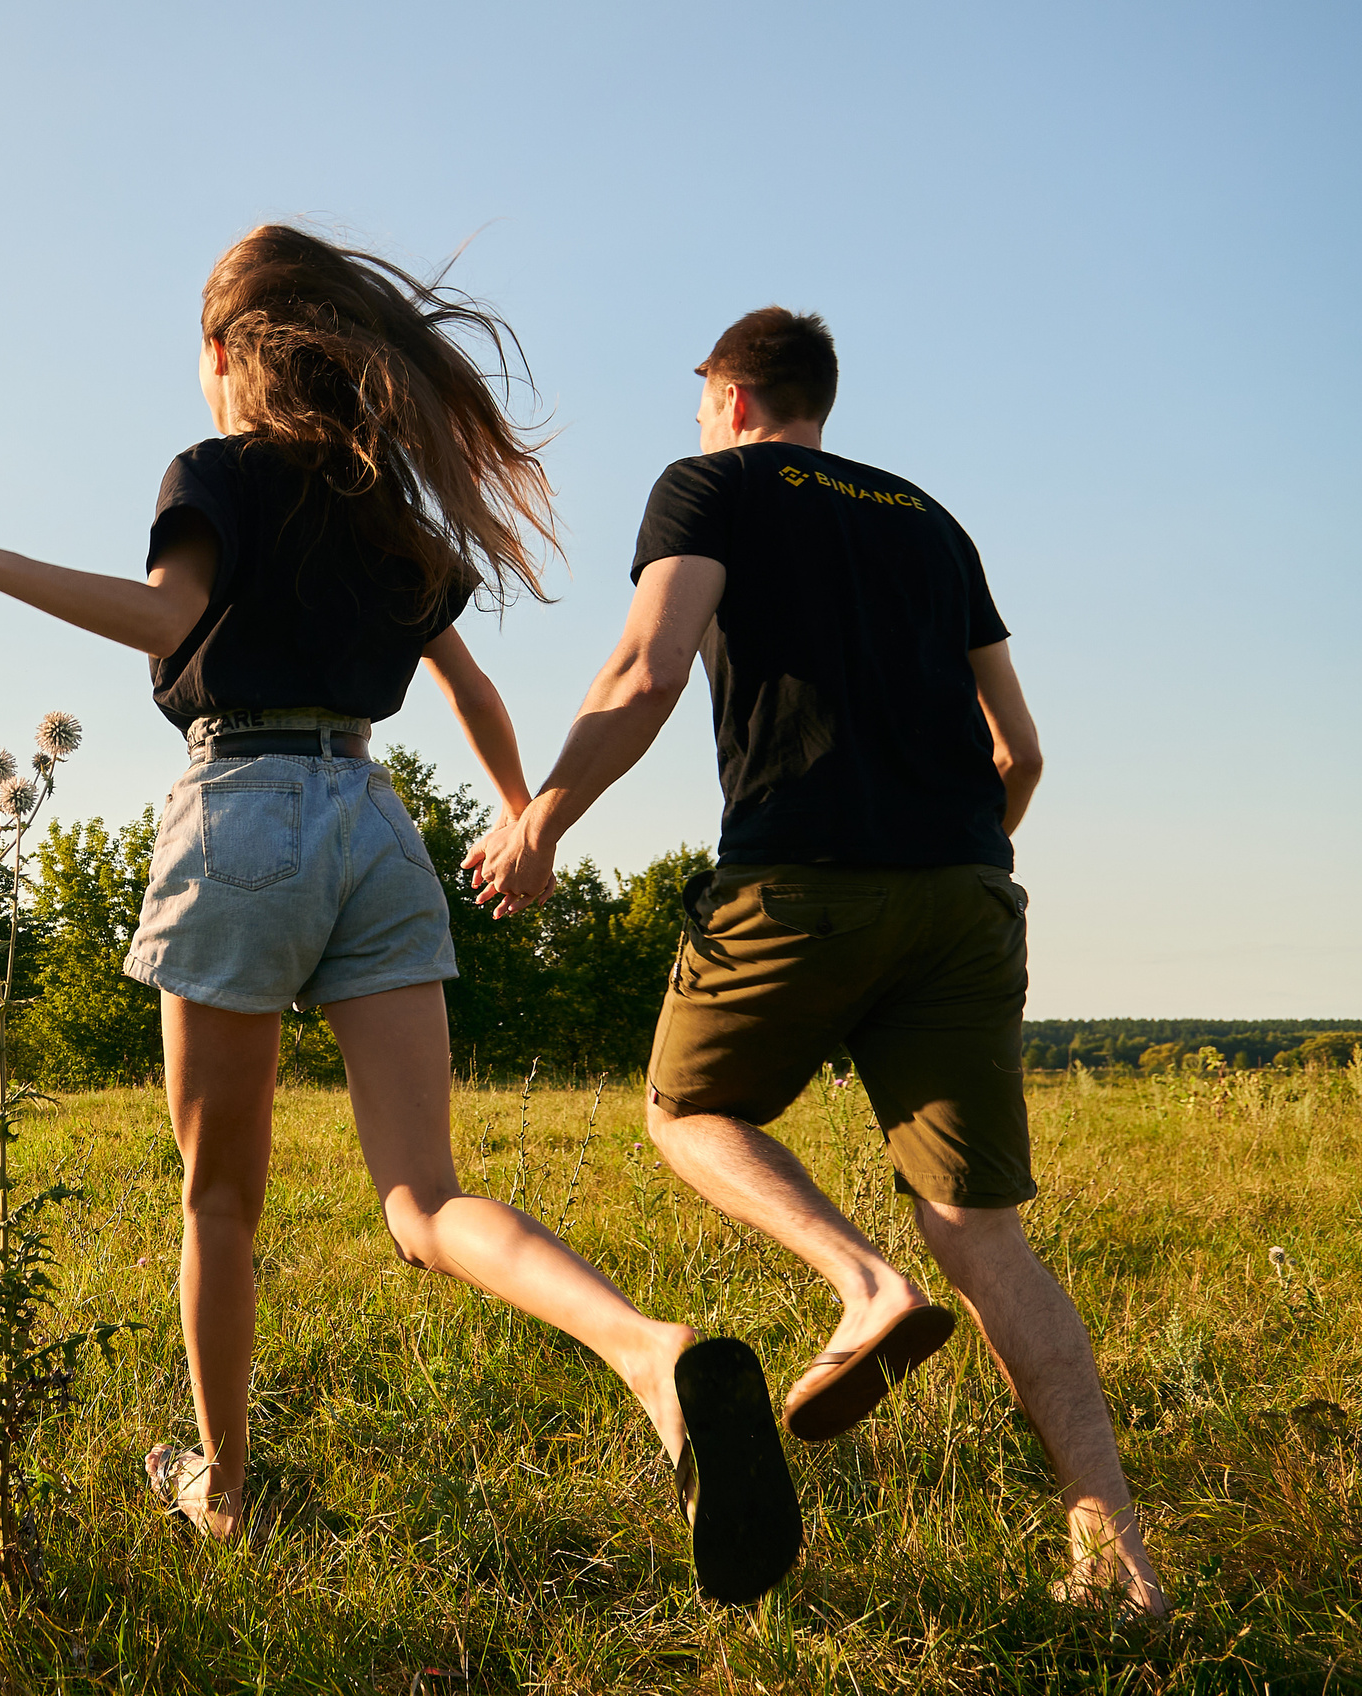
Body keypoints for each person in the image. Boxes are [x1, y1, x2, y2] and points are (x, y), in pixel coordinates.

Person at [0, 225, 801, 1604]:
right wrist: (521, 816)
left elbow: (165, 620)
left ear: (228, 354)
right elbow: (459, 680)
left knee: (221, 1197)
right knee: (424, 1198)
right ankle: (649, 1350)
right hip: (376, 821)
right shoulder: (377, 501)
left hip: (244, 814)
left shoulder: (212, 475)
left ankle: (220, 1489)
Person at [470, 306, 1169, 1617]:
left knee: (687, 1109)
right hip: (967, 894)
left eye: (698, 404)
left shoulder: (711, 486)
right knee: (989, 1234)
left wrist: (539, 822)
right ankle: (1115, 1556)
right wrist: (945, 866)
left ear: (729, 394)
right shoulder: (932, 520)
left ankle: (861, 1286)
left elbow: (648, 667)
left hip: (802, 882)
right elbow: (1020, 750)